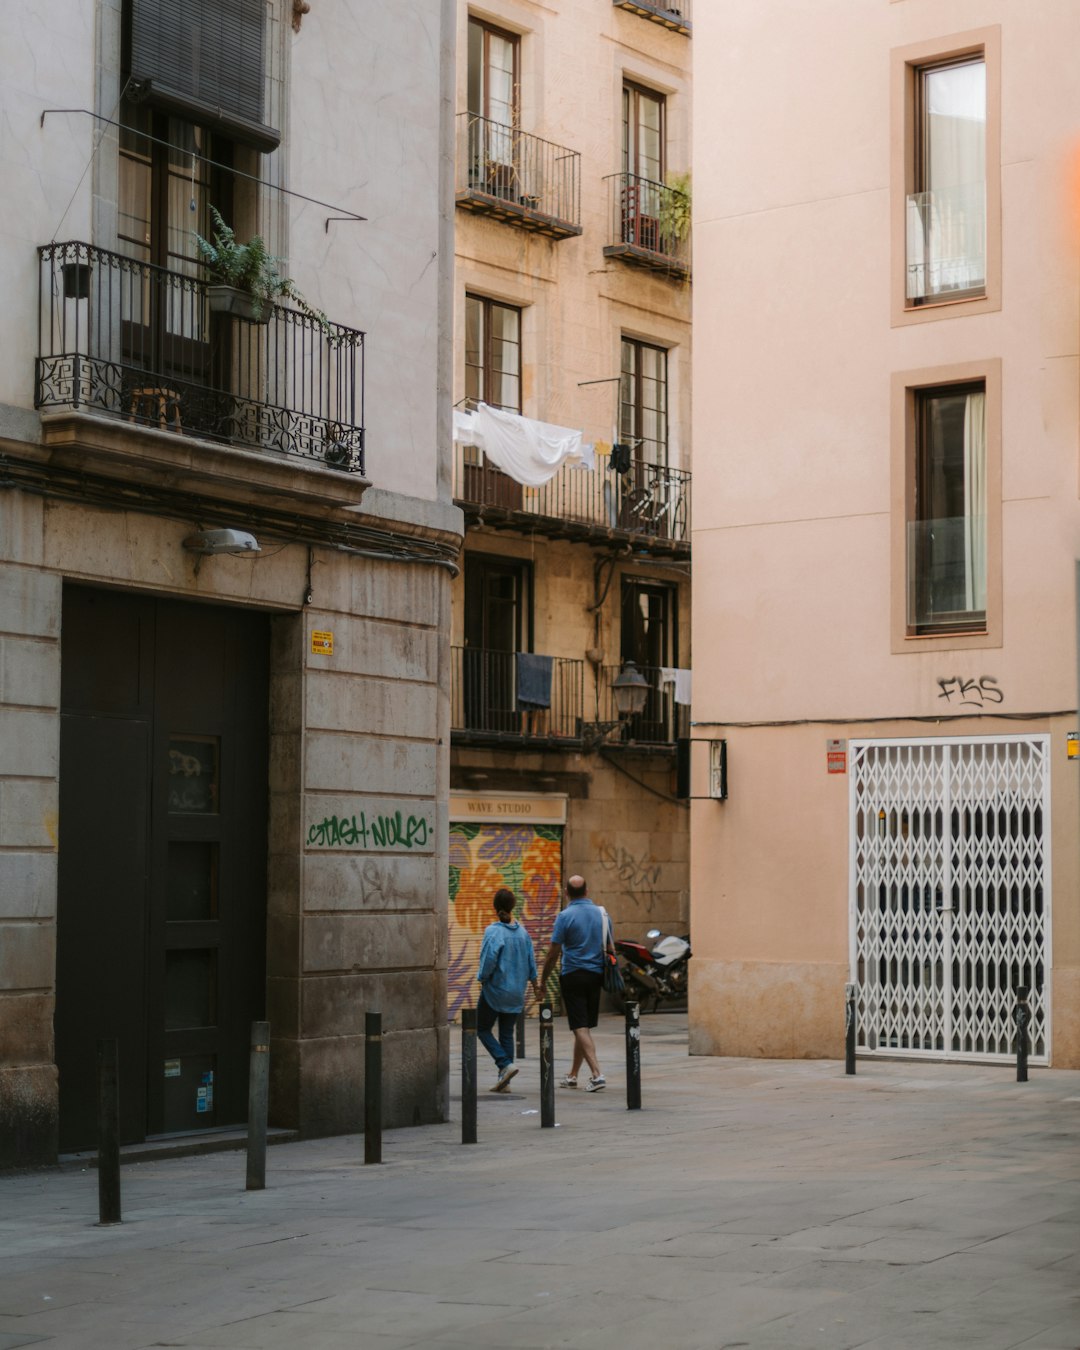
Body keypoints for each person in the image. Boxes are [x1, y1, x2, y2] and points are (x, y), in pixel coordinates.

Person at [537, 874, 610, 1092]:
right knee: (583, 1027)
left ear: (566, 893)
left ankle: (597, 1074)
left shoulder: (564, 916)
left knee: (579, 1026)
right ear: (587, 891)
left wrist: (542, 980)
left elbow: (553, 952)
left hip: (573, 975)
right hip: (596, 975)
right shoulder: (602, 914)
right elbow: (609, 946)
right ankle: (573, 1075)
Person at [476, 888, 540, 1092]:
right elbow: (532, 964)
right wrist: (536, 985)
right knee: (506, 1034)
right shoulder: (523, 933)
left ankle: (504, 1063)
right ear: (513, 906)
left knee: (482, 1028)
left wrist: (482, 979)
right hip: (516, 993)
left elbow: (488, 961)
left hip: (495, 991)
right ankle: (505, 1083)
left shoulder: (493, 931)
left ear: (495, 907)